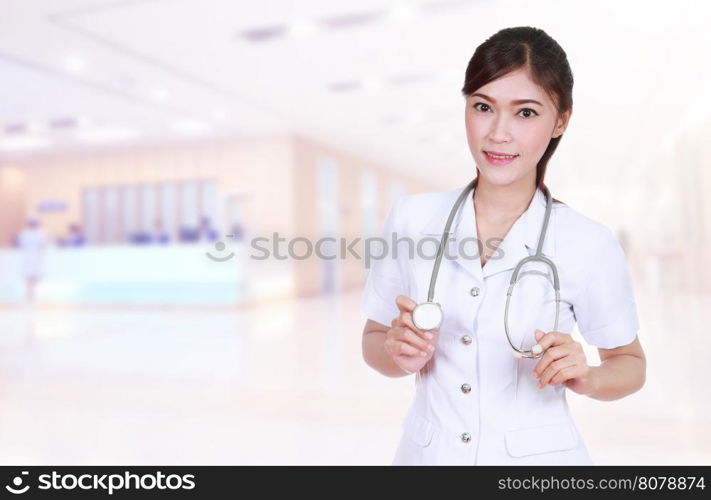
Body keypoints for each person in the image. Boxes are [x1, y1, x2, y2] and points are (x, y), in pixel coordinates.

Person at [360, 26, 646, 466]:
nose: (497, 133)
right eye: (482, 107)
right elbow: (374, 340)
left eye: (526, 113)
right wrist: (398, 355)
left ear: (561, 119)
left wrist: (585, 376)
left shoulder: (588, 242)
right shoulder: (411, 218)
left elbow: (629, 363)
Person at [16, 217, 48, 302]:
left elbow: (20, 244)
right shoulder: (40, 233)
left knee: (29, 274)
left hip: (28, 256)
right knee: (33, 273)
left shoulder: (24, 233)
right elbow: (43, 245)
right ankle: (32, 292)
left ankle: (30, 292)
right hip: (35, 255)